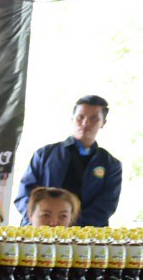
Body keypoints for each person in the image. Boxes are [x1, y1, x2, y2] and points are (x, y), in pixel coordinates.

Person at [15, 95, 123, 227]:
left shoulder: (111, 164)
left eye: (93, 118)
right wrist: (40, 218)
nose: (85, 123)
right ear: (72, 119)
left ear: (103, 123)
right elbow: (24, 195)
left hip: (86, 233)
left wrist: (68, 224)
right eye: (80, 117)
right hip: (39, 230)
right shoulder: (45, 154)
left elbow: (106, 205)